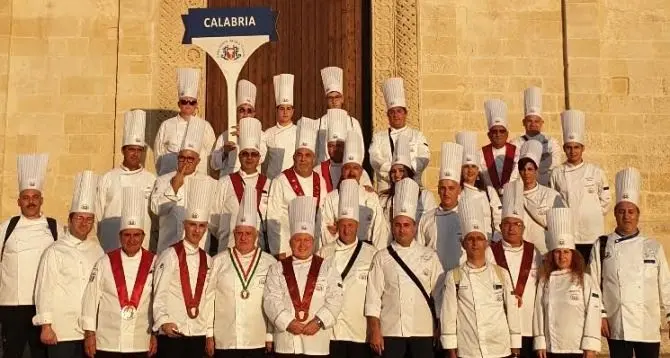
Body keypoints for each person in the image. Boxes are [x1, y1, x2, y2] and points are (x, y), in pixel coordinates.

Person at [589, 168, 670, 358]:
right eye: (622, 212)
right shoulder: (601, 245)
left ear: (638, 214)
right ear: (615, 214)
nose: (627, 216)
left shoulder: (654, 247)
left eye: (631, 211)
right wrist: (600, 315)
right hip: (617, 322)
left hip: (647, 323)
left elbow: (665, 283)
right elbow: (593, 283)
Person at [365, 178, 443, 358]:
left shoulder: (429, 256)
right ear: (392, 226)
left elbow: (438, 295)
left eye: (406, 225)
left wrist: (439, 327)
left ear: (414, 227)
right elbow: (373, 298)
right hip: (391, 331)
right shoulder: (382, 257)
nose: (402, 230)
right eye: (398, 225)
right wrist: (375, 330)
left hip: (422, 330)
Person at [33, 171, 105, 358]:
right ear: (70, 219)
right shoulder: (55, 250)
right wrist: (46, 326)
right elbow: (44, 289)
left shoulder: (97, 250)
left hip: (90, 331)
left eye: (88, 218)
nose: (84, 223)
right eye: (79, 218)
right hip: (62, 331)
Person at [81, 187, 158, 358]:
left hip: (140, 341)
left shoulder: (154, 262)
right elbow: (91, 299)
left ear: (143, 236)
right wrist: (90, 334)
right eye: (127, 235)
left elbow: (158, 301)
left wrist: (155, 334)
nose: (132, 240)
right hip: (108, 342)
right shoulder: (105, 261)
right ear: (120, 236)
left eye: (136, 235)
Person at [263, 196, 344, 357]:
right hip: (286, 342)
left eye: (306, 240)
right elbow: (271, 299)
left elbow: (336, 298)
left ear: (313, 242)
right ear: (290, 242)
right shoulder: (277, 268)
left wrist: (319, 321)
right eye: (297, 240)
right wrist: (288, 322)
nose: (302, 245)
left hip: (316, 341)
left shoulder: (327, 267)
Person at [440, 200, 522, 358]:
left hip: (500, 348)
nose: (475, 243)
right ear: (463, 244)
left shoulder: (501, 273)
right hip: (469, 349)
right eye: (470, 239)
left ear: (486, 243)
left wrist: (515, 346)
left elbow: (512, 311)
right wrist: (451, 349)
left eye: (479, 238)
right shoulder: (454, 276)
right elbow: (448, 315)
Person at [205, 185, 276, 358]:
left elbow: (273, 301)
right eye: (240, 233)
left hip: (257, 339)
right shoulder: (218, 261)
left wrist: (270, 334)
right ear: (234, 234)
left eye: (248, 233)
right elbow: (208, 299)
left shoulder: (270, 263)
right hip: (225, 339)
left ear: (256, 235)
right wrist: (209, 334)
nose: (243, 238)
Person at [152, 177, 214, 358]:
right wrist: (163, 321)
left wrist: (209, 334)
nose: (196, 230)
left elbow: (209, 300)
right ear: (184, 226)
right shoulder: (169, 255)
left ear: (206, 228)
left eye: (201, 226)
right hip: (174, 332)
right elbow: (159, 292)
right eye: (192, 225)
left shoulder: (208, 260)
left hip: (197, 333)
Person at [0, 153, 54, 358]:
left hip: (42, 307)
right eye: (26, 197)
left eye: (35, 197)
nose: (31, 202)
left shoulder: (55, 228)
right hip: (11, 306)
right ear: (18, 201)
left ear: (42, 200)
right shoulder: (6, 228)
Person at [318, 181, 376, 358]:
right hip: (330, 331)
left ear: (357, 226)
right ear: (336, 225)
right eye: (342, 224)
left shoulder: (372, 254)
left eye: (350, 225)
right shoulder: (323, 252)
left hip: (359, 331)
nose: (346, 229)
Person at [533, 207, 601, 358]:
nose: (562, 256)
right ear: (552, 255)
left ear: (573, 255)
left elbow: (593, 312)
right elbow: (539, 312)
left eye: (566, 252)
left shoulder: (585, 279)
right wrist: (540, 341)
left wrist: (590, 346)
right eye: (557, 251)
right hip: (551, 349)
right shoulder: (545, 280)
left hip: (577, 349)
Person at [487, 180, 543, 358]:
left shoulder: (535, 252)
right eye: (507, 224)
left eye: (516, 224)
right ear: (501, 226)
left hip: (528, 326)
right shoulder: (490, 252)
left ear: (523, 227)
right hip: (500, 326)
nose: (511, 228)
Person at [549, 110, 610, 262]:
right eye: (569, 147)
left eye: (576, 147)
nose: (573, 151)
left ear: (583, 148)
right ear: (564, 149)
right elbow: (553, 201)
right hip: (568, 233)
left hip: (592, 233)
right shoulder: (557, 173)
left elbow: (605, 200)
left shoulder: (595, 171)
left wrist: (591, 213)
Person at [150, 118, 217, 253]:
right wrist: (173, 187)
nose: (186, 162)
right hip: (168, 249)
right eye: (182, 158)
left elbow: (215, 221)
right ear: (177, 158)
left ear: (198, 161)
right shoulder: (163, 180)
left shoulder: (211, 183)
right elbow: (156, 209)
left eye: (190, 158)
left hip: (198, 252)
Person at [97, 109, 156, 252]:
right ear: (123, 151)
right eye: (131, 149)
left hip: (141, 246)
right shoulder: (108, 178)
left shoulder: (151, 180)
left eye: (139, 150)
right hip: (110, 243)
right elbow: (98, 213)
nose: (135, 154)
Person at [266, 122, 327, 258]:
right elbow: (272, 217)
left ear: (314, 159)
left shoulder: (320, 181)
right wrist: (278, 250)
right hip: (287, 249)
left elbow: (323, 215)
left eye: (307, 155)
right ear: (294, 157)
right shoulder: (280, 181)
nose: (303, 159)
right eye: (299, 154)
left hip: (314, 247)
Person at [318, 134, 389, 249]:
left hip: (367, 252)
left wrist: (375, 253)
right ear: (342, 171)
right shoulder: (331, 198)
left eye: (355, 168)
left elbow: (379, 230)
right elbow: (326, 230)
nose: (351, 172)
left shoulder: (370, 196)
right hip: (338, 252)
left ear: (361, 172)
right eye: (347, 168)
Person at [213, 117, 270, 252]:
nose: (249, 158)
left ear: (259, 158)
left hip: (258, 252)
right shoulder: (224, 183)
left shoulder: (269, 184)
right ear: (239, 157)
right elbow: (213, 220)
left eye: (253, 154)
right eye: (245, 154)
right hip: (228, 249)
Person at [369, 77, 430, 193]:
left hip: (412, 187)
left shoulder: (417, 135)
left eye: (399, 111)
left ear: (405, 113)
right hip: (386, 189)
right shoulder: (378, 137)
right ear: (388, 115)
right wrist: (393, 171)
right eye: (392, 112)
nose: (396, 115)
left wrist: (405, 173)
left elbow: (424, 158)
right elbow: (375, 159)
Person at [154, 68, 215, 176]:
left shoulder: (205, 126)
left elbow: (212, 153)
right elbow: (158, 154)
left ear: (196, 105)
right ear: (179, 104)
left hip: (197, 179)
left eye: (191, 102)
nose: (188, 105)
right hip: (170, 175)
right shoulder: (167, 125)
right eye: (184, 101)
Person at [417, 142, 465, 272]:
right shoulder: (426, 218)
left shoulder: (466, 218)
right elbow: (419, 253)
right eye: (442, 188)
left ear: (459, 190)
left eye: (451, 188)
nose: (446, 192)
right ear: (438, 190)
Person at [211, 79, 267, 178]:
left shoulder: (261, 135)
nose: (245, 114)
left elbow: (261, 158)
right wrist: (224, 152)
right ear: (236, 112)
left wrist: (245, 138)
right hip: (228, 182)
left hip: (251, 181)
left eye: (249, 110)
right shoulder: (225, 135)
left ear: (254, 114)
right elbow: (214, 165)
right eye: (242, 110)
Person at [517, 140, 565, 254]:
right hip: (520, 251)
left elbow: (560, 225)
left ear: (536, 171)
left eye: (530, 169)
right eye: (523, 170)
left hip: (544, 250)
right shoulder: (513, 194)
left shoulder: (551, 195)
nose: (526, 173)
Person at [378, 134, 436, 224]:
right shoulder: (384, 199)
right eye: (393, 171)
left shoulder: (425, 197)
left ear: (409, 172)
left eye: (401, 171)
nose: (397, 175)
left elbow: (430, 223)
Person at [511, 87, 562, 186]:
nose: (533, 124)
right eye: (529, 121)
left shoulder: (551, 142)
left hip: (546, 187)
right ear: (524, 122)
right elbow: (515, 167)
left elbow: (555, 166)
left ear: (542, 122)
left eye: (536, 121)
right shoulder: (516, 143)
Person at [455, 131, 502, 239]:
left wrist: (495, 240)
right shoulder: (457, 193)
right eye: (466, 166)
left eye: (473, 166)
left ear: (478, 170)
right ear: (461, 170)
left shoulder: (489, 192)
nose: (470, 170)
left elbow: (498, 217)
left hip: (488, 243)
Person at [314, 109, 372, 192]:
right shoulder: (318, 170)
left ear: (345, 146)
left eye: (339, 146)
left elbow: (368, 195)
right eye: (331, 146)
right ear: (326, 147)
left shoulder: (360, 172)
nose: (335, 149)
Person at [316, 67, 365, 163]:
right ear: (326, 100)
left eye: (337, 97)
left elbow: (361, 150)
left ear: (342, 99)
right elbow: (316, 150)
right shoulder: (319, 123)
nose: (334, 101)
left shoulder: (353, 122)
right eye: (330, 98)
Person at [480, 99, 519, 197]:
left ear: (507, 134)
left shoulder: (517, 152)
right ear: (489, 135)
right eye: (494, 131)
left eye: (502, 131)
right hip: (488, 199)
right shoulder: (480, 154)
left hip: (513, 197)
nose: (498, 134)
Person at [263, 74, 298, 179]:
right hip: (272, 180)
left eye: (288, 108)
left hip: (293, 180)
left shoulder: (298, 131)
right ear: (277, 111)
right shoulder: (268, 133)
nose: (285, 112)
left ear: (293, 111)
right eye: (282, 108)